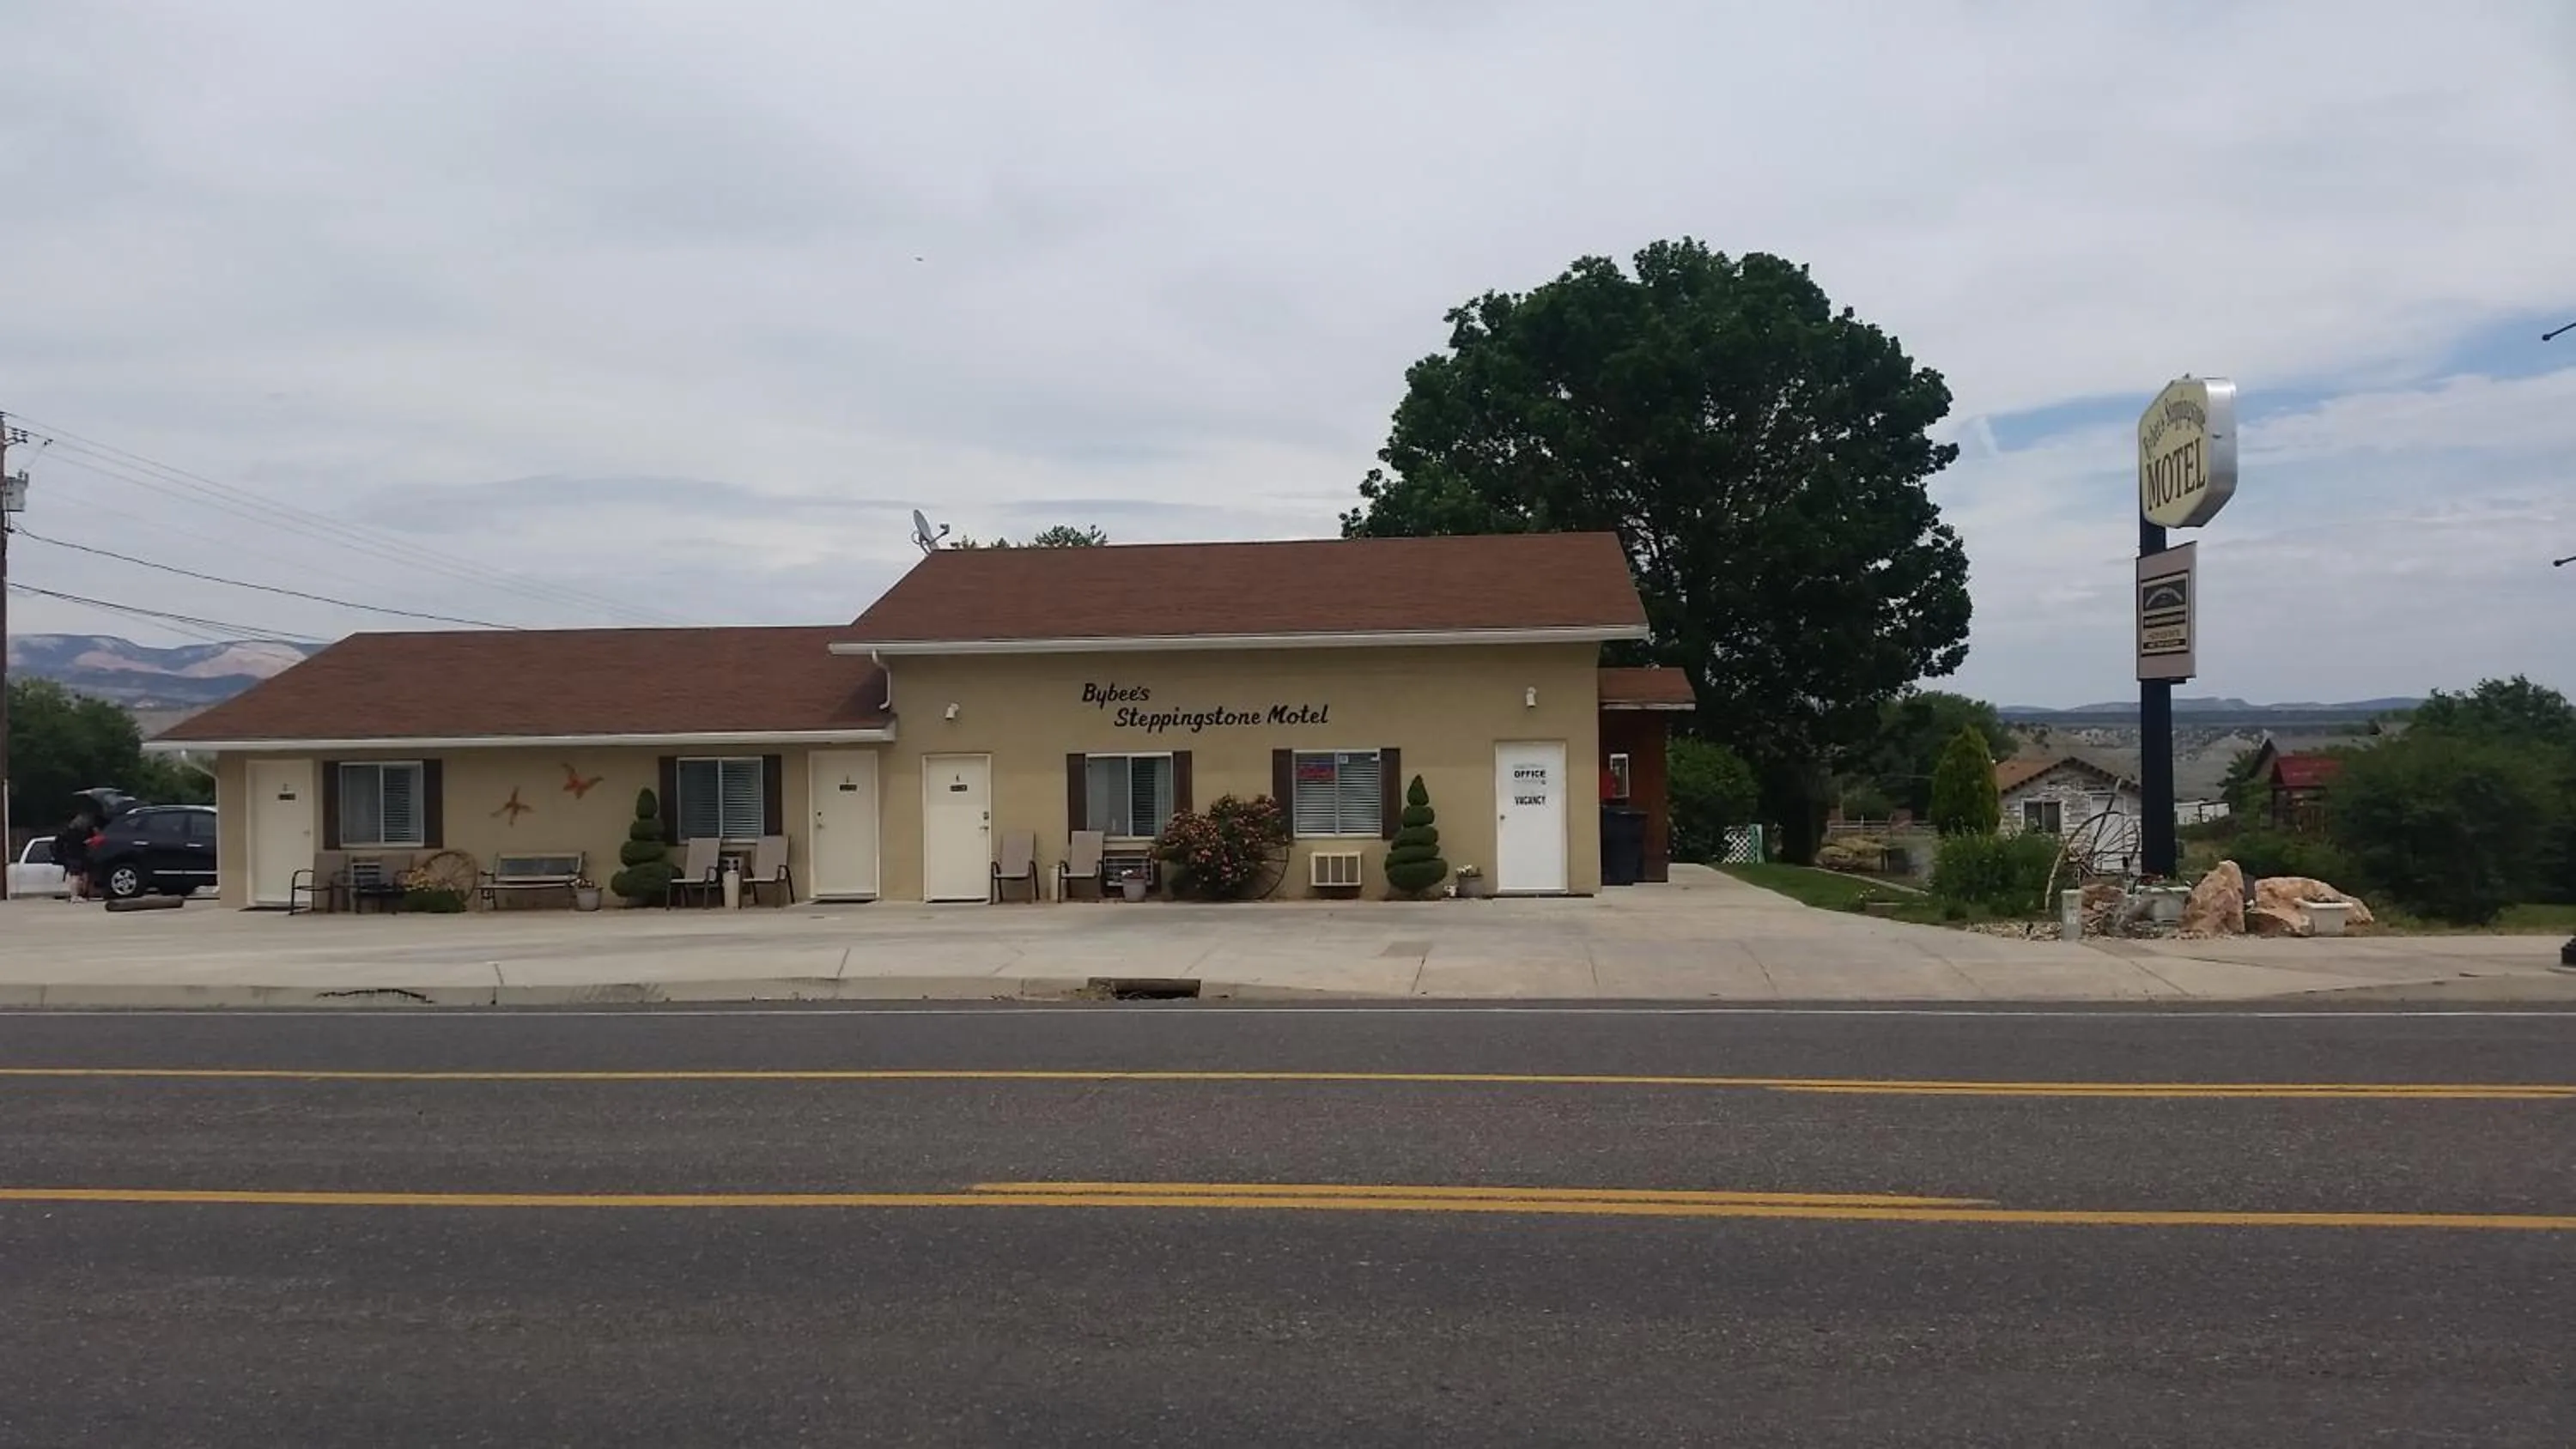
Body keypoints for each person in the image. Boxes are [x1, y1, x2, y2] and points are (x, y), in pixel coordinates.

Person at [53, 812, 94, 902]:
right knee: (76, 876)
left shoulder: (67, 831)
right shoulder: (79, 833)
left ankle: (74, 895)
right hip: (77, 855)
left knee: (74, 876)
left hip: (70, 856)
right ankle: (74, 896)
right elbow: (82, 843)